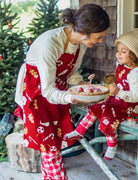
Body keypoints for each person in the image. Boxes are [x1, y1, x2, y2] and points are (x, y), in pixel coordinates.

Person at [14, 4, 110, 180]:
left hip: (57, 94)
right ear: (83, 31)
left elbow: (70, 73)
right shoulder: (50, 44)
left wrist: (80, 83)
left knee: (54, 148)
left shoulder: (80, 44)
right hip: (37, 95)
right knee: (50, 149)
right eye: (99, 36)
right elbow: (48, 90)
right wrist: (71, 96)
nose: (101, 41)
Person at [64, 25, 138, 160]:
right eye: (118, 50)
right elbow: (121, 84)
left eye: (123, 51)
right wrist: (114, 88)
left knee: (108, 116)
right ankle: (78, 132)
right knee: (95, 108)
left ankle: (112, 144)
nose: (118, 54)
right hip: (119, 99)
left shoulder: (136, 73)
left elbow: (137, 96)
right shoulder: (123, 66)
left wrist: (119, 92)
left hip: (130, 105)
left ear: (134, 54)